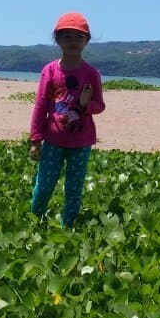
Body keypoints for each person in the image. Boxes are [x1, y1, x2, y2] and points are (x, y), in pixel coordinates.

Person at [29, 12, 105, 226]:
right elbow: (41, 105)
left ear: (87, 41)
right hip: (53, 140)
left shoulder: (91, 73)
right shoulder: (50, 70)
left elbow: (99, 105)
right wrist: (35, 139)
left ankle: (68, 227)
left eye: (79, 37)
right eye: (67, 37)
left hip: (81, 142)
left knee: (74, 188)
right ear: (58, 39)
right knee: (44, 185)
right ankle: (34, 220)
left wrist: (84, 105)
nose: (73, 41)